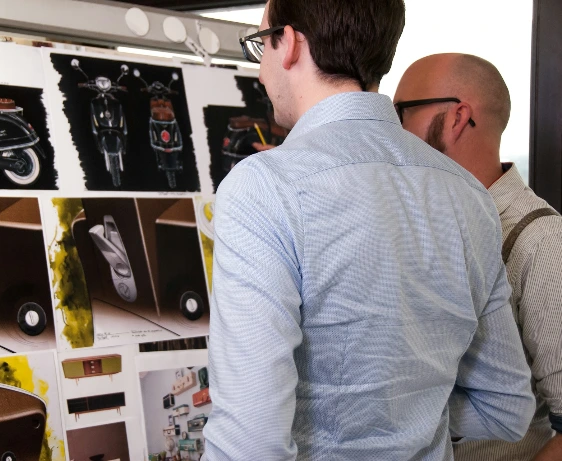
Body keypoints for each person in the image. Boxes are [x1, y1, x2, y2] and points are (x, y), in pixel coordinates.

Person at [202, 0, 536, 459]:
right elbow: (506, 409)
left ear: (292, 44)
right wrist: (409, 412)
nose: (260, 71)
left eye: (262, 44)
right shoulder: (470, 196)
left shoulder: (265, 187)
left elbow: (250, 443)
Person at [394, 53, 562, 461]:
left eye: (401, 113)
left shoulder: (542, 241)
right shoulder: (422, 224)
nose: (392, 131)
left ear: (457, 117)